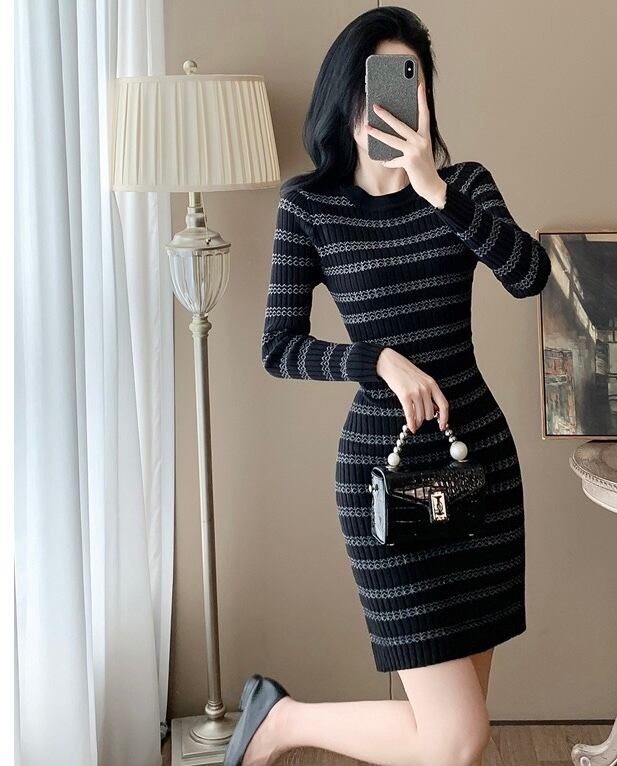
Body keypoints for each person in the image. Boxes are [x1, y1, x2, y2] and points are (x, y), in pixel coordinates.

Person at [224, 7, 551, 766]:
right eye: (379, 84)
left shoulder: (464, 186)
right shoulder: (310, 206)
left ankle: (277, 720)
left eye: (411, 82)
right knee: (457, 737)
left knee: (452, 738)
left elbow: (529, 275)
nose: (397, 101)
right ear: (346, 94)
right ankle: (280, 722)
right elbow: (279, 348)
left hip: (477, 464)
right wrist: (375, 360)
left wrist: (437, 192)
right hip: (384, 476)